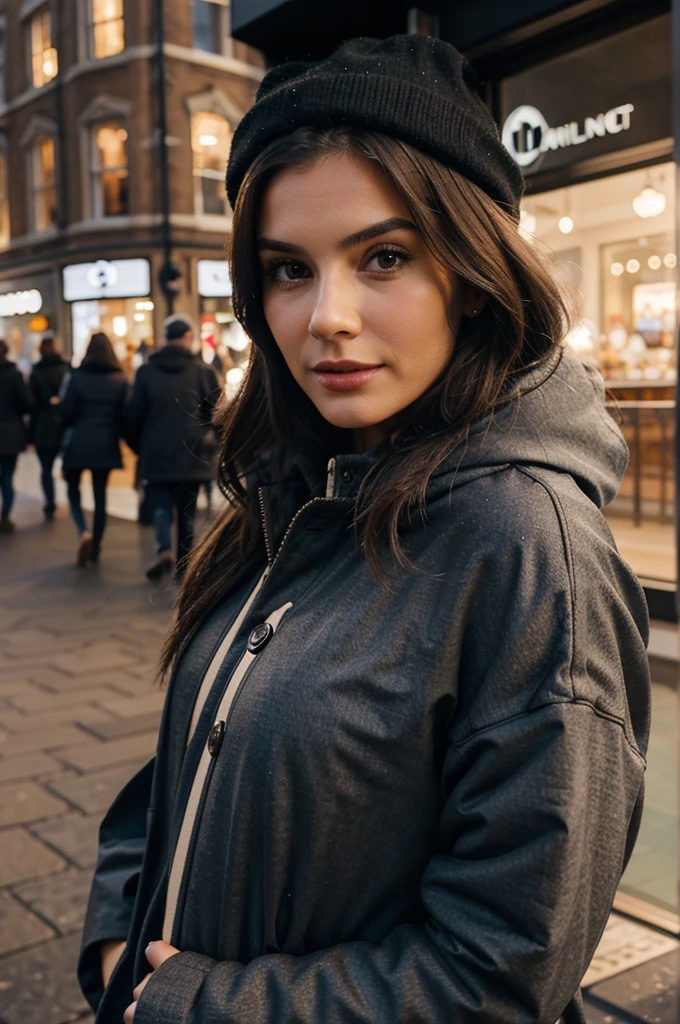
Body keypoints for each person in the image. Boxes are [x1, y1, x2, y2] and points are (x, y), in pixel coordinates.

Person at [79, 37, 651, 1024]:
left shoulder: (526, 550)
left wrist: (195, 1002)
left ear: (470, 270)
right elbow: (195, 757)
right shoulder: (290, 492)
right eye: (288, 270)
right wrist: (112, 928)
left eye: (382, 257)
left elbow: (498, 977)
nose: (325, 317)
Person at [123, 316, 220, 581]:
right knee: (187, 512)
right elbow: (219, 413)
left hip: (156, 452)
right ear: (188, 337)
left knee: (161, 507)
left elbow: (131, 416)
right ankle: (183, 564)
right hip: (194, 452)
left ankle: (164, 548)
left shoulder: (146, 372)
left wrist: (140, 445)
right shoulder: (203, 371)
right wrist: (213, 444)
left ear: (165, 339)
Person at [60, 332, 127, 566]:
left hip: (78, 442)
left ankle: (82, 531)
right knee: (100, 497)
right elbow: (124, 416)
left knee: (73, 490)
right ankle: (96, 547)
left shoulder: (76, 376)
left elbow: (66, 412)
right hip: (106, 444)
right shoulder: (120, 379)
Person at [29, 334, 70, 521]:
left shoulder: (36, 371)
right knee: (69, 466)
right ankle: (73, 499)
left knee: (46, 468)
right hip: (64, 424)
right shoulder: (66, 369)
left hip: (43, 425)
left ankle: (50, 502)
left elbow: (31, 403)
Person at [0, 339, 32, 533]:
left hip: (10, 428)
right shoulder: (14, 375)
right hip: (11, 430)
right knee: (8, 476)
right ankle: (5, 516)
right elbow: (26, 403)